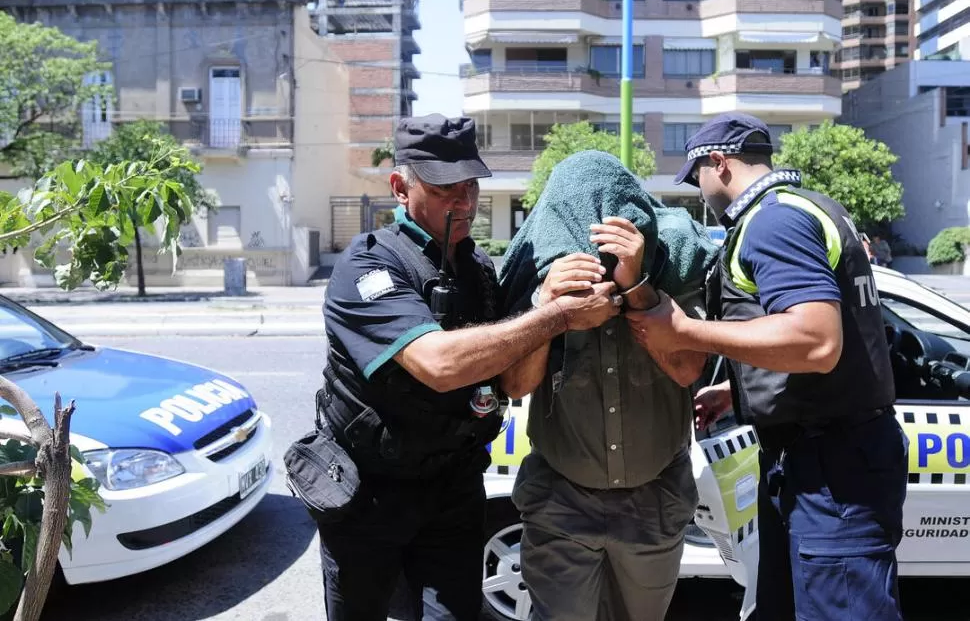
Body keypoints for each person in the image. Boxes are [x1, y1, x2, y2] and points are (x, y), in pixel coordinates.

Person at [308, 114, 621, 621]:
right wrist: (555, 315)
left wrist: (547, 302)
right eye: (444, 187)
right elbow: (438, 363)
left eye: (470, 185)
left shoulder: (480, 273)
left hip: (451, 490)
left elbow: (517, 382)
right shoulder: (369, 267)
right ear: (400, 188)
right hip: (370, 496)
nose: (464, 202)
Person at [628, 112, 909, 620]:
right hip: (823, 453)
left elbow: (816, 340)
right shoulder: (812, 206)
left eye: (698, 179)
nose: (701, 192)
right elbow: (831, 343)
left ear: (718, 163)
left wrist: (684, 331)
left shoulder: (773, 221)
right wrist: (737, 393)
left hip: (832, 466)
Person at [497, 150, 719, 621]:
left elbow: (687, 369)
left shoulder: (671, 266)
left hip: (653, 504)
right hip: (561, 503)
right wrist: (550, 308)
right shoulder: (543, 278)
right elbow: (516, 386)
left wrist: (637, 286)